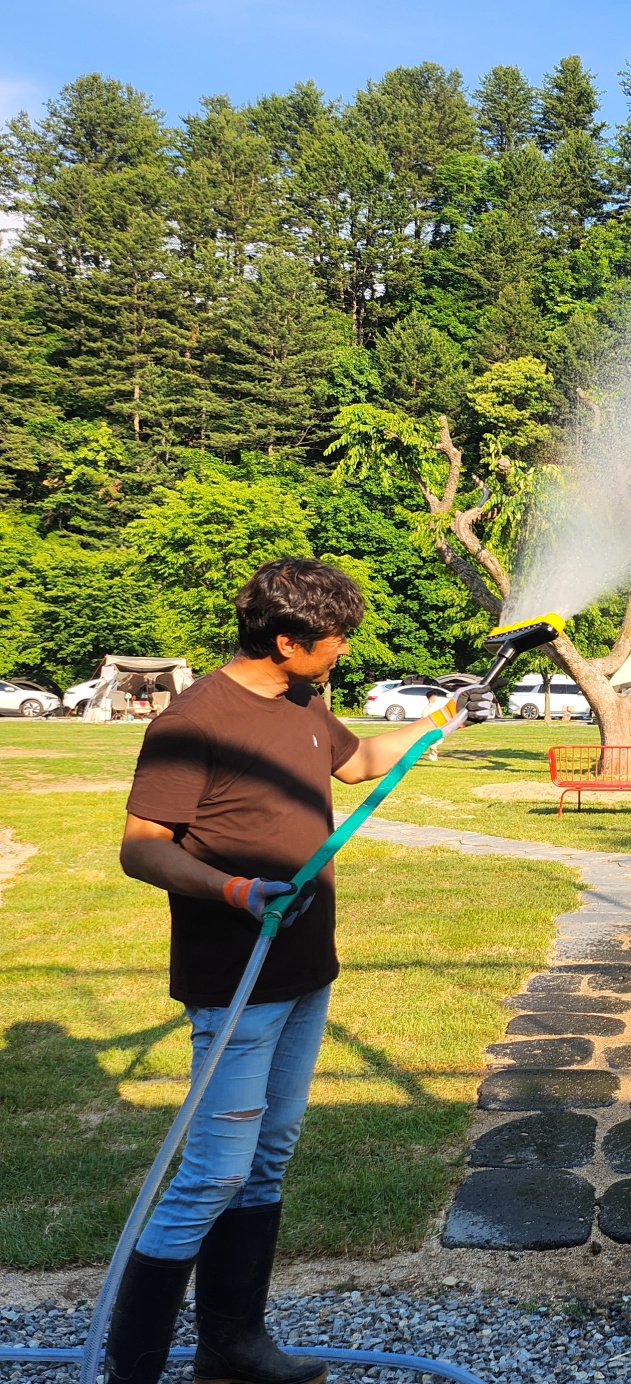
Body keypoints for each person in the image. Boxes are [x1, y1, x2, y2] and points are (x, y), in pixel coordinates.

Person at [108, 558, 474, 1384]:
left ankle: (232, 1348)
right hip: (235, 972)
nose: (343, 651)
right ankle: (131, 1370)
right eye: (335, 640)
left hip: (306, 967)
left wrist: (443, 722)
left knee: (268, 1157)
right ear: (286, 639)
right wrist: (236, 891)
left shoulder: (305, 699)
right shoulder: (194, 721)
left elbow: (355, 763)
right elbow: (140, 848)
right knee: (211, 1174)